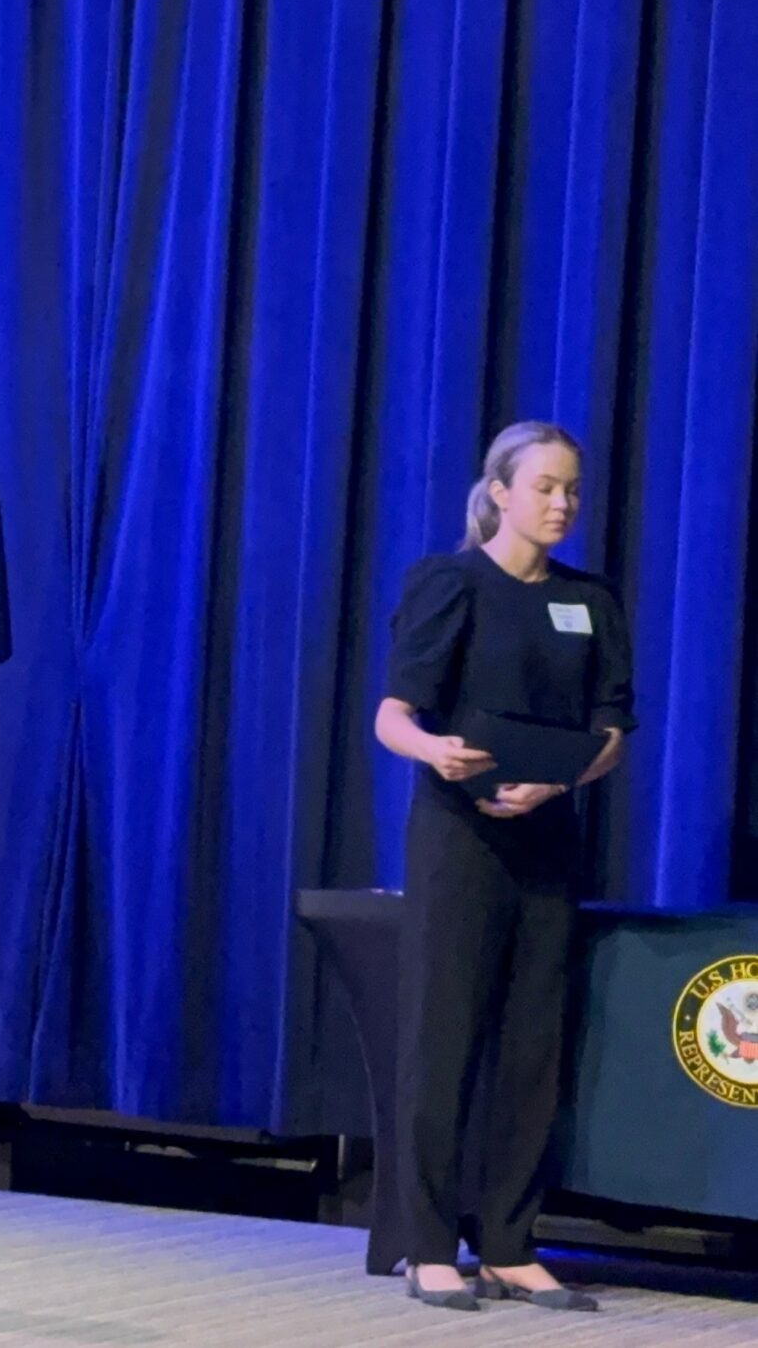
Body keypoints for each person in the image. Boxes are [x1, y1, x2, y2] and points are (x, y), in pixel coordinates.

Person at [374, 421, 634, 1312]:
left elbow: (610, 730)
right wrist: (435, 752)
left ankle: (512, 1242)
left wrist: (559, 785)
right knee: (444, 1038)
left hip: (545, 840)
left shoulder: (589, 600)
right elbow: (393, 714)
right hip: (460, 837)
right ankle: (426, 1244)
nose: (561, 504)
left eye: (572, 489)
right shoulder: (452, 583)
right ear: (499, 491)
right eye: (545, 487)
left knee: (532, 1046)